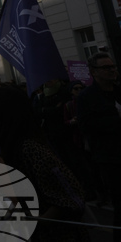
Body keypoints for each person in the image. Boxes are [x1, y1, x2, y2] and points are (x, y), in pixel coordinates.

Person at [0, 86, 87, 241]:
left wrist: (38, 221)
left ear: (6, 112)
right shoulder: (13, 147)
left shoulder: (30, 149)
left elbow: (68, 195)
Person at [78, 52, 121, 240]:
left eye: (113, 66)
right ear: (94, 72)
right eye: (106, 67)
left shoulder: (119, 91)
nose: (112, 70)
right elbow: (86, 126)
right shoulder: (87, 97)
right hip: (111, 159)